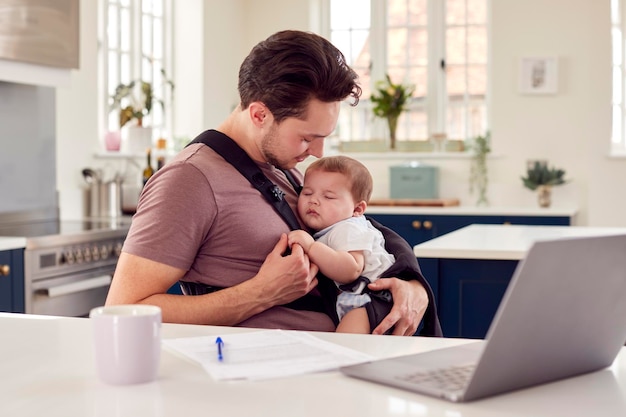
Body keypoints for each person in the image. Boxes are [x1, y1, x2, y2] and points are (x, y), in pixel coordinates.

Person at [105, 30, 442, 336]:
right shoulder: (188, 181)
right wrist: (260, 294)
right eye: (308, 137)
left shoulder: (281, 166)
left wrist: (413, 285)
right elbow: (122, 311)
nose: (317, 153)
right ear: (259, 115)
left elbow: (358, 228)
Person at [288, 156, 395, 334]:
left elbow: (350, 269)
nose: (314, 200)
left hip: (371, 300)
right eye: (307, 193)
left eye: (328, 197)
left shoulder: (347, 228)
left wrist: (311, 247)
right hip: (360, 298)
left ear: (357, 210)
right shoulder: (335, 226)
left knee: (346, 346)